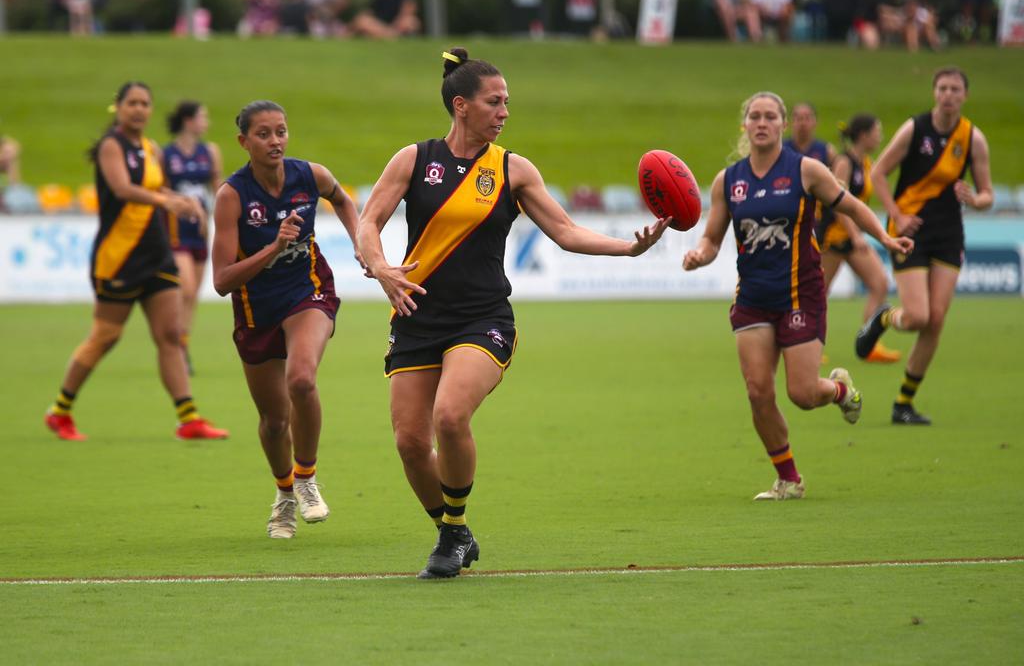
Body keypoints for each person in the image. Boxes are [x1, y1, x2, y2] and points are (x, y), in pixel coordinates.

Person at [356, 48, 668, 577]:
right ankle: (454, 533)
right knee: (411, 443)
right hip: (416, 315)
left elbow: (566, 233)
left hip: (483, 319)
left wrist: (628, 248)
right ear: (461, 106)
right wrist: (382, 267)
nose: (504, 112)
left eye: (507, 103)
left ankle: (452, 530)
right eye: (494, 102)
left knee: (450, 416)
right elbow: (368, 223)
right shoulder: (413, 159)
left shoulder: (513, 169)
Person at [682, 92, 912, 500]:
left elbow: (853, 207)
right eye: (755, 116)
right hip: (752, 297)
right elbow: (712, 237)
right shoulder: (728, 180)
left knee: (803, 395)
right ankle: (789, 479)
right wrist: (700, 254)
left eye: (771, 116)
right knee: (758, 392)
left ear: (783, 125)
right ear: (745, 125)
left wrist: (885, 238)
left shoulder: (807, 170)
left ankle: (839, 390)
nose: (762, 122)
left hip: (800, 295)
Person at [211, 100, 363, 539]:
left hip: (308, 291)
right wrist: (274, 248)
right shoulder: (232, 196)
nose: (275, 141)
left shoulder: (308, 175)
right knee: (274, 421)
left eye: (281, 131)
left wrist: (361, 244)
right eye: (263, 134)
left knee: (301, 380)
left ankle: (307, 477)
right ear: (243, 142)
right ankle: (283, 496)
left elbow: (343, 199)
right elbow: (222, 281)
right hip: (256, 307)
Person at [45, 82, 229, 442]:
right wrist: (167, 203)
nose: (140, 109)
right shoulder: (111, 146)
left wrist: (181, 199)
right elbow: (123, 189)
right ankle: (60, 410)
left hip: (156, 252)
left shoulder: (151, 148)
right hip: (119, 256)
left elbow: (154, 189)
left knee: (170, 335)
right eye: (133, 103)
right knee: (105, 337)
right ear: (119, 107)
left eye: (145, 104)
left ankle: (188, 417)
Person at [855, 67, 993, 425]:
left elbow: (987, 193)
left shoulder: (973, 139)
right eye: (943, 88)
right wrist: (897, 215)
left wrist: (975, 200)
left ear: (965, 95)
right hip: (909, 232)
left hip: (948, 234)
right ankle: (885, 316)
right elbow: (879, 172)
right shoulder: (915, 129)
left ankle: (904, 403)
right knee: (918, 316)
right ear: (934, 92)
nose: (949, 95)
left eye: (956, 89)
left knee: (936, 321)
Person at [817, 114, 900, 363]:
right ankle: (808, 347)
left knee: (879, 284)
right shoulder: (844, 162)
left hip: (852, 238)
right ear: (863, 135)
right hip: (834, 237)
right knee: (818, 294)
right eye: (877, 130)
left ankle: (869, 342)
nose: (880, 136)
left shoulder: (866, 162)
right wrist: (856, 234)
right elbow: (836, 202)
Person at [162, 101, 223, 375]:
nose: (206, 122)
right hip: (176, 230)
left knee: (193, 295)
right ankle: (173, 343)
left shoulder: (210, 152)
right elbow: (160, 190)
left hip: (201, 230)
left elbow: (218, 187)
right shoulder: (166, 155)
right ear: (188, 120)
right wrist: (183, 201)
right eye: (202, 116)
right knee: (185, 288)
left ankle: (181, 345)